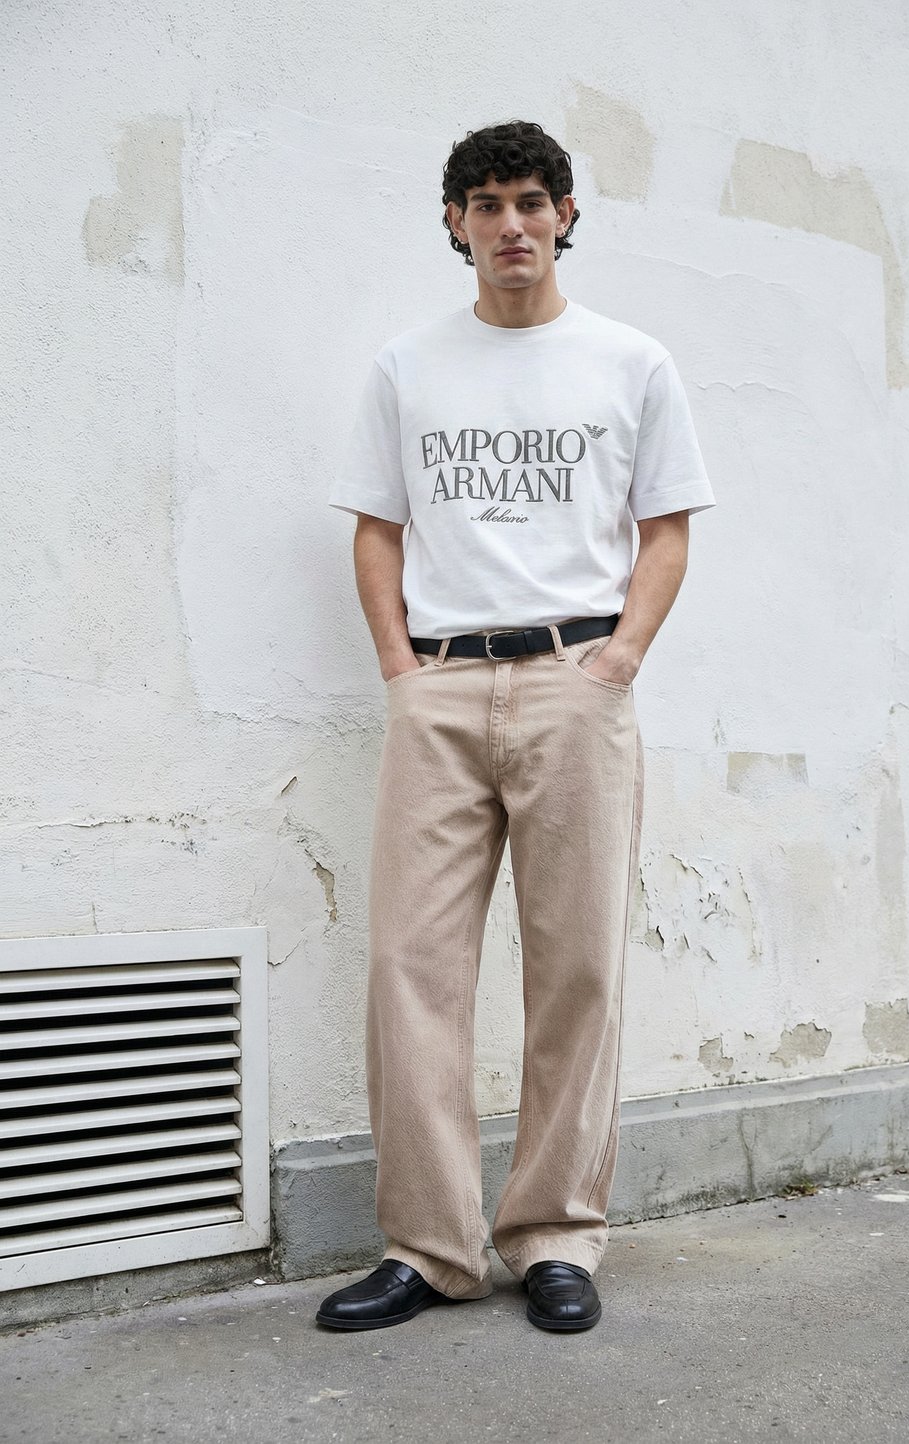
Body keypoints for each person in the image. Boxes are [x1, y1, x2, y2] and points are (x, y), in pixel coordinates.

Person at [318, 120, 715, 1334]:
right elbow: (377, 528)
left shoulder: (630, 361)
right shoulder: (407, 366)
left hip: (572, 680)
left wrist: (618, 660)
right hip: (440, 686)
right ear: (454, 223)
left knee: (577, 965)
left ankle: (553, 1234)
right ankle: (429, 1245)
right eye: (485, 204)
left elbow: (666, 529)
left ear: (565, 215)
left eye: (531, 201)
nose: (510, 224)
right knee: (411, 968)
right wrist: (399, 668)